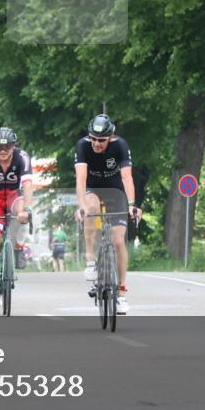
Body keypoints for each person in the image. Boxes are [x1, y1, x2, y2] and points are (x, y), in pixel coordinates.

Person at [75, 113, 142, 315]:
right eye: (93, 139)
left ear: (110, 137)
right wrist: (81, 206)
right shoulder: (82, 145)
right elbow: (80, 179)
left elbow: (127, 178)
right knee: (91, 208)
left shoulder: (120, 145)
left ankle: (121, 292)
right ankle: (90, 260)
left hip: (116, 192)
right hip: (93, 190)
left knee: (118, 241)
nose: (96, 144)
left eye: (101, 140)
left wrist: (131, 204)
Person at [0, 127, 33, 307]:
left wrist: (27, 208)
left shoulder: (22, 157)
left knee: (22, 213)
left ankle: (19, 245)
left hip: (13, 196)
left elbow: (27, 185)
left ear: (14, 145)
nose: (3, 151)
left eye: (7, 147)